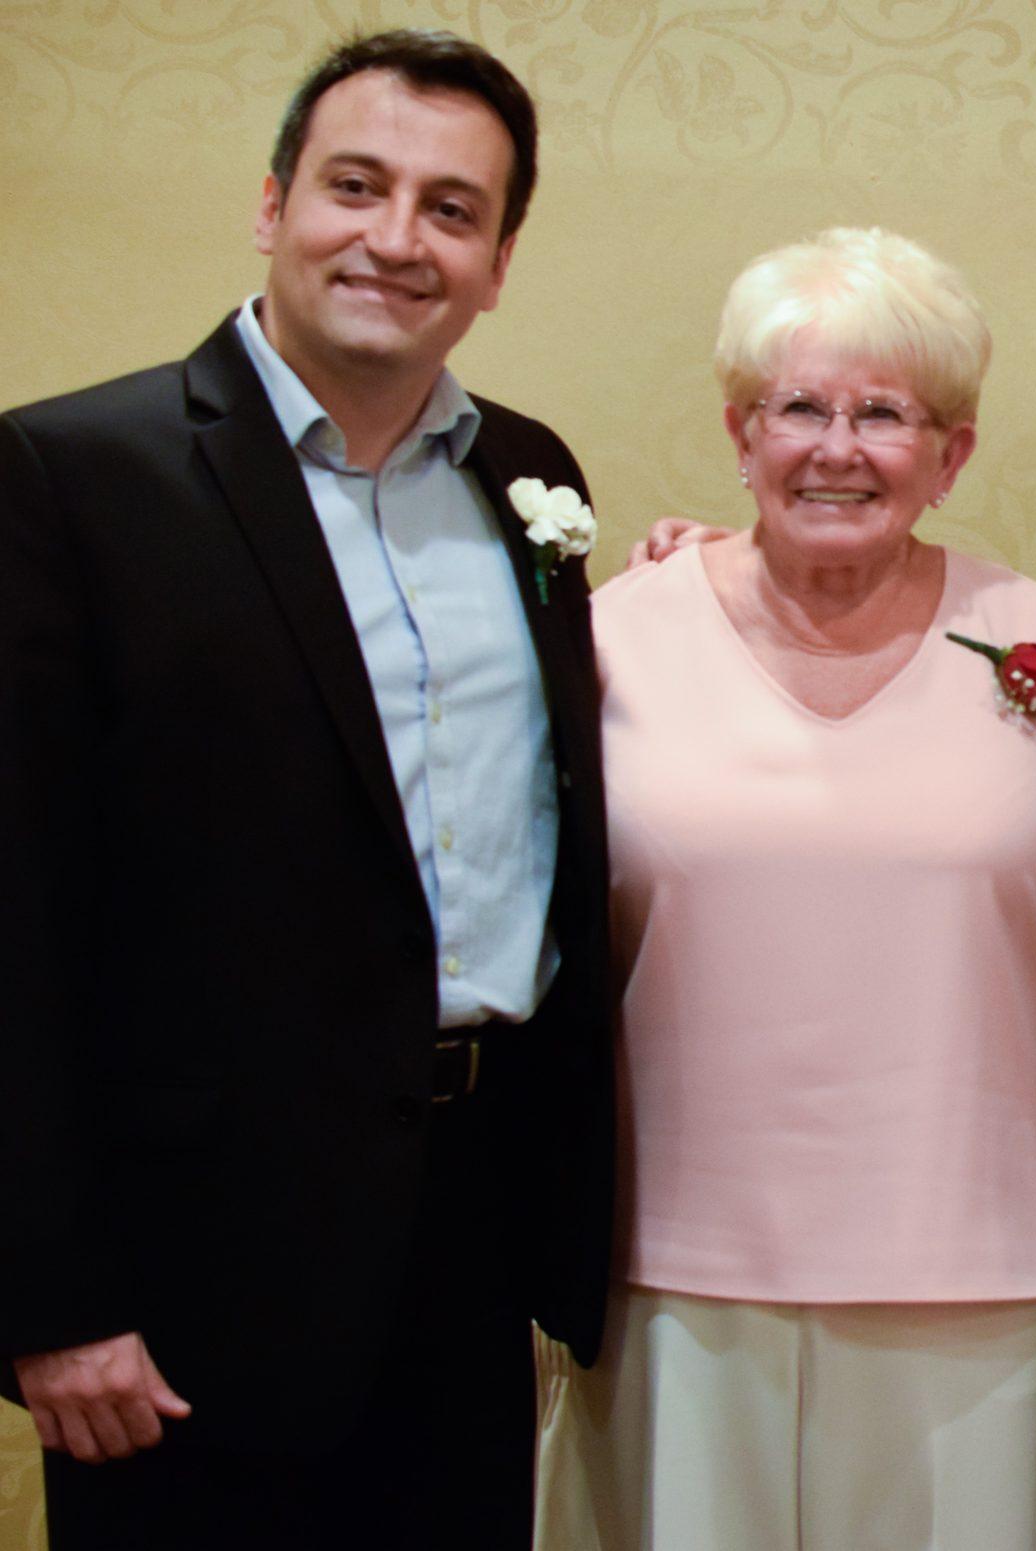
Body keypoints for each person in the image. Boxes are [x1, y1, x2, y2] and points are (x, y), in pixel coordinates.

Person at [0, 29, 612, 1550]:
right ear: (273, 203)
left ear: (499, 259)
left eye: (451, 209)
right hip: (189, 1275)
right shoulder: (69, 475)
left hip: (472, 1243)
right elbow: (8, 914)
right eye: (357, 185)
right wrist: (50, 1299)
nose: (398, 239)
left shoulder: (530, 477)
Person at [534, 226, 1036, 1551]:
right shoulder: (610, 636)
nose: (838, 445)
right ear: (737, 429)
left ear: (953, 451)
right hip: (668, 1264)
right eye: (800, 406)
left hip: (966, 1265)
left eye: (886, 412)